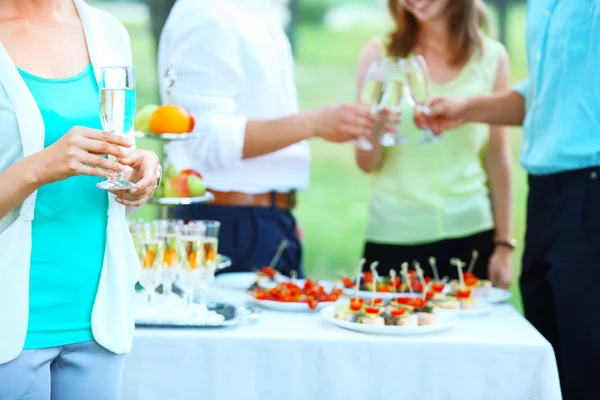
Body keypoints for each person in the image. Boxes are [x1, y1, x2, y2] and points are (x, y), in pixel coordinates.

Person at [417, 3, 600, 398]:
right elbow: (547, 94)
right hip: (546, 195)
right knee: (550, 363)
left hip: (591, 190)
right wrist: (466, 109)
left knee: (588, 364)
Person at [157, 0, 393, 277]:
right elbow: (208, 139)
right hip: (227, 226)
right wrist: (315, 123)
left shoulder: (257, 11)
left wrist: (278, 209)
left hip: (263, 220)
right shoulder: (208, 14)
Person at [0, 0, 160, 398]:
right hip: (12, 322)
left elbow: (117, 155)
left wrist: (139, 174)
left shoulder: (108, 32)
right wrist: (39, 167)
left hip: (100, 317)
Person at [355, 0, 514, 286]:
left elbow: (497, 156)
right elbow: (365, 163)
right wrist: (375, 131)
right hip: (393, 233)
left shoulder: (492, 57)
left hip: (471, 231)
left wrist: (503, 245)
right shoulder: (379, 55)